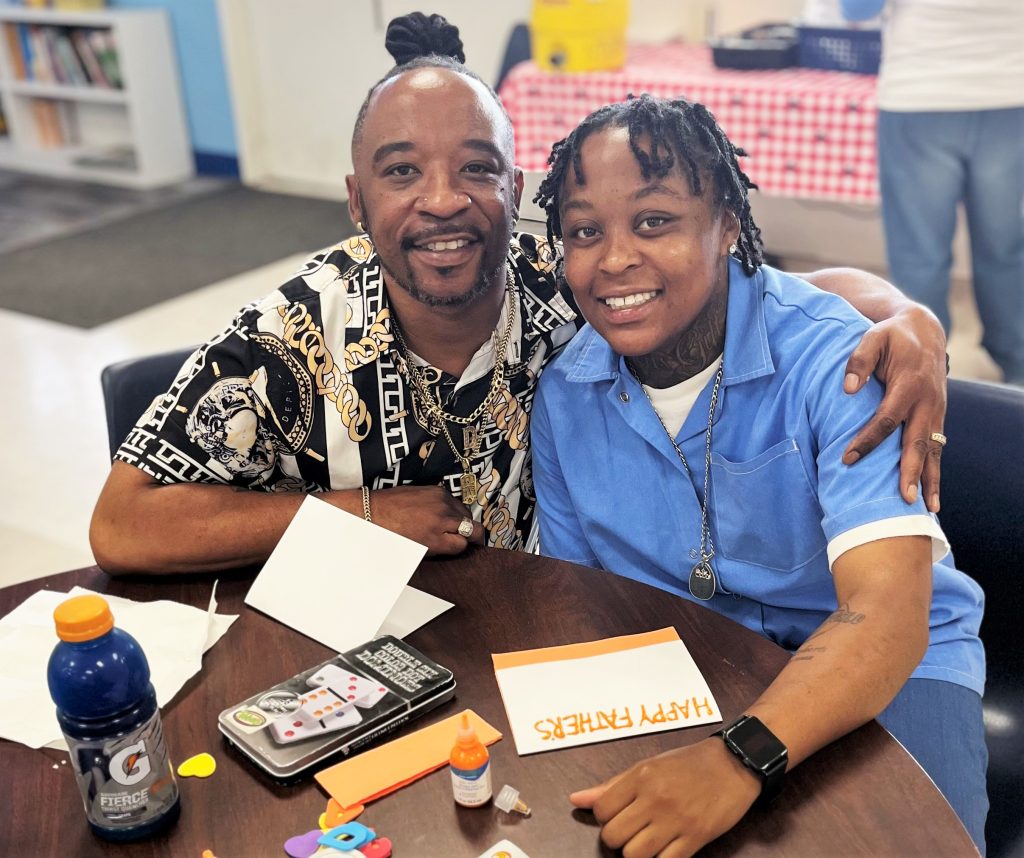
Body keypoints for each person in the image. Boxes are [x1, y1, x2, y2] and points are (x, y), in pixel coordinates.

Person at [90, 13, 948, 577]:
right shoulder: (293, 332)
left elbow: (761, 288)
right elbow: (123, 526)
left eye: (476, 169)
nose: (441, 200)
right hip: (350, 655)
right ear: (357, 203)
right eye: (401, 172)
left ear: (516, 189)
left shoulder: (569, 281)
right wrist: (354, 515)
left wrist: (910, 317)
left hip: (540, 633)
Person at [530, 94, 986, 856]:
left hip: (898, 660)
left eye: (654, 221)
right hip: (704, 658)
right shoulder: (565, 395)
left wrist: (738, 755)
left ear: (727, 227)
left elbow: (887, 614)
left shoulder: (837, 360)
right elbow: (588, 606)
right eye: (584, 231)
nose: (613, 259)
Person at [842, 0, 1024, 385]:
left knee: (919, 257)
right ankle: (1017, 367)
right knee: (1006, 249)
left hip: (922, 92)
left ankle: (922, 377)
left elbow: (857, 8)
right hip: (1011, 90)